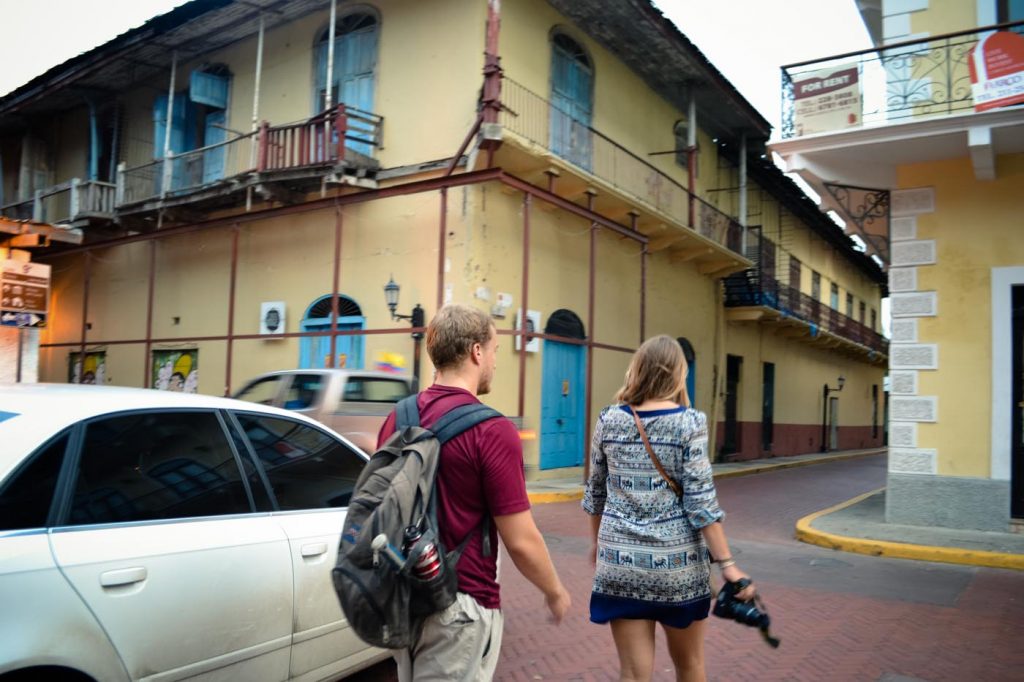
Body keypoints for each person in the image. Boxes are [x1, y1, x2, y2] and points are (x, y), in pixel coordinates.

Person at [377, 303, 572, 681]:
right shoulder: (493, 431)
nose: (495, 362)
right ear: (476, 352)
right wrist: (554, 590)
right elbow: (521, 540)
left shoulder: (397, 418)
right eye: (495, 350)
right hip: (459, 604)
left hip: (403, 594)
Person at [582, 335, 755, 682]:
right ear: (678, 374)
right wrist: (729, 566)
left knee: (632, 673)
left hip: (620, 562)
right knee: (689, 665)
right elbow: (702, 504)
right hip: (678, 568)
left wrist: (598, 543)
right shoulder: (689, 423)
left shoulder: (608, 419)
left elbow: (595, 493)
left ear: (637, 370)